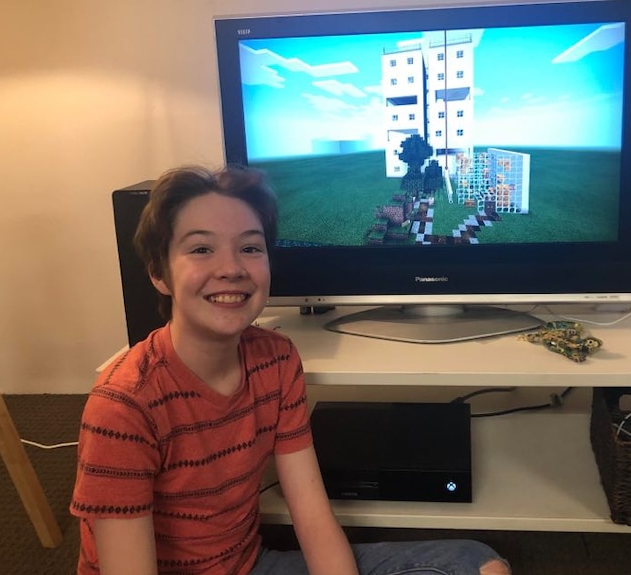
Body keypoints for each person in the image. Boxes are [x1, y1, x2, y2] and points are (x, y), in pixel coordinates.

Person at [70, 164, 511, 575]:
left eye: (249, 247)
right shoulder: (123, 404)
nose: (231, 268)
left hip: (251, 564)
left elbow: (312, 514)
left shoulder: (277, 359)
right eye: (201, 249)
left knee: (480, 564)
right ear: (159, 273)